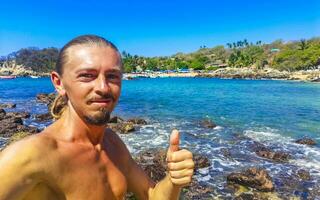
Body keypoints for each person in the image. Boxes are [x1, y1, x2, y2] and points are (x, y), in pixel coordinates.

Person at [0, 35, 195, 200]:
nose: (103, 87)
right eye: (87, 75)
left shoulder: (112, 143)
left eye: (112, 76)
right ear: (59, 83)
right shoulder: (30, 156)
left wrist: (173, 180)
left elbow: (151, 195)